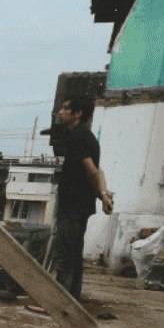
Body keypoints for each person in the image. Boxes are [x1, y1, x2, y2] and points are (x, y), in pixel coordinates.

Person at [53, 96, 113, 302]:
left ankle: (60, 305)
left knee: (64, 256)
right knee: (74, 255)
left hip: (72, 204)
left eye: (65, 108)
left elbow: (91, 169)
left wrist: (103, 194)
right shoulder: (88, 136)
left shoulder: (76, 136)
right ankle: (73, 300)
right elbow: (95, 171)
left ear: (78, 114)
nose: (60, 112)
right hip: (83, 204)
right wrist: (101, 194)